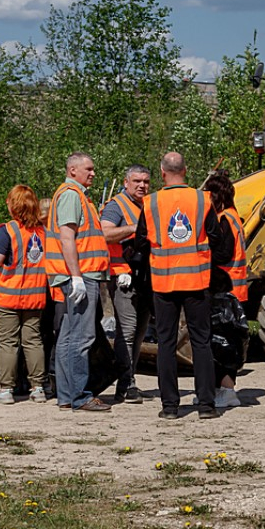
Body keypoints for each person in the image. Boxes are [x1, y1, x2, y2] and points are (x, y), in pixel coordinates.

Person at [144, 152, 230, 420]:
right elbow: (216, 238)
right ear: (186, 170)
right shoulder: (201, 200)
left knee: (166, 343)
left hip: (164, 282)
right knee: (201, 342)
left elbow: (139, 241)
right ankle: (206, 405)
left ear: (162, 172)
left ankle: (170, 407)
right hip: (196, 281)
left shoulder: (151, 203)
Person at [45, 152, 111, 413]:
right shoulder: (72, 195)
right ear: (73, 170)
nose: (93, 173)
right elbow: (67, 238)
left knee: (68, 337)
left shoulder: (75, 195)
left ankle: (67, 395)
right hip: (80, 274)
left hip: (76, 274)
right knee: (82, 337)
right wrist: (76, 277)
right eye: (88, 169)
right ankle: (79, 396)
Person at [0, 185, 49, 405]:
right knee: (33, 341)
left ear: (14, 205)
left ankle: (6, 390)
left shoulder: (7, 230)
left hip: (7, 295)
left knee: (8, 343)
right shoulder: (42, 231)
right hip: (35, 296)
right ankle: (38, 388)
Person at [100, 164, 155, 405]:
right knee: (128, 330)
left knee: (140, 331)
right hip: (123, 276)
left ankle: (129, 378)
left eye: (145, 181)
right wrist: (136, 228)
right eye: (137, 181)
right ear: (126, 182)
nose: (142, 185)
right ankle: (125, 384)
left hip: (144, 276)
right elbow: (105, 233)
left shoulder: (148, 204)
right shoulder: (116, 206)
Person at [203, 169, 247, 410]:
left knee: (222, 344)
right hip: (235, 289)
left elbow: (223, 254)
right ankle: (222, 389)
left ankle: (227, 390)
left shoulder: (224, 220)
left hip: (225, 291)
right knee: (226, 343)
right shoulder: (234, 216)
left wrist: (203, 252)